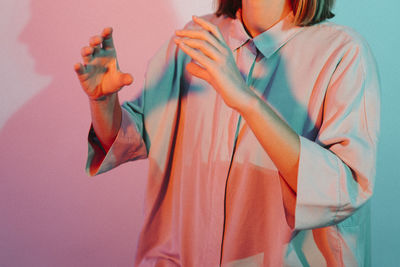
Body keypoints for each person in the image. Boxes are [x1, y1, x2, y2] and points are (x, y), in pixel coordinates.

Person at [74, 0, 380, 265]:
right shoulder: (195, 39)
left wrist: (246, 100)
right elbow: (135, 136)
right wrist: (102, 102)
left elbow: (344, 191)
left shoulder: (343, 54)